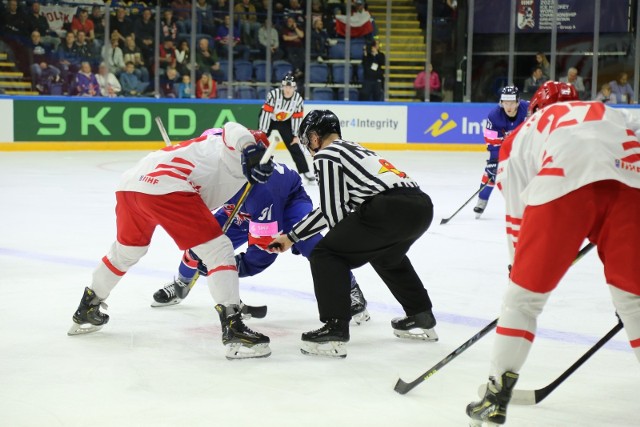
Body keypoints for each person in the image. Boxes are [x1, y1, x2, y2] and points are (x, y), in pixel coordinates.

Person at [466, 80, 640, 426]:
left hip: (560, 190)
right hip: (631, 188)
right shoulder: (613, 112)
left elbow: (517, 206)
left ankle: (496, 395)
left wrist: (518, 265)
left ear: (534, 109)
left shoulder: (524, 131)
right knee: (634, 301)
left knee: (523, 302)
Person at [68, 123, 276, 360]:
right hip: (167, 185)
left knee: (126, 252)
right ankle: (234, 329)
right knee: (218, 251)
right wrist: (250, 149)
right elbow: (233, 128)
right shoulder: (232, 147)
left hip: (131, 185)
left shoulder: (206, 151)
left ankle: (87, 307)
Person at [270, 109, 438, 358]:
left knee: (325, 254)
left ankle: (335, 327)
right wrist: (291, 237)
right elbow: (340, 207)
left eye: (307, 141)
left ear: (316, 137)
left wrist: (300, 238)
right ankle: (420, 314)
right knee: (388, 256)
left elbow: (331, 213)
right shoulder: (355, 149)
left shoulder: (326, 155)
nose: (308, 147)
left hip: (387, 209)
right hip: (421, 207)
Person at [151, 160, 371, 325]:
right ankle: (182, 283)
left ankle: (350, 290)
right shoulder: (219, 170)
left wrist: (232, 267)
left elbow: (264, 250)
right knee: (202, 241)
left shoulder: (262, 192)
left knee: (313, 244)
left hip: (287, 205)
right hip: (243, 207)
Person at [473, 86, 529, 218]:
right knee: (490, 173)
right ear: (501, 102)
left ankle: (530, 204)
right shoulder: (494, 116)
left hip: (526, 147)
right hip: (504, 146)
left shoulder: (529, 110)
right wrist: (493, 160)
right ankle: (482, 201)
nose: (508, 106)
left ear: (518, 102)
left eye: (512, 103)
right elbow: (492, 140)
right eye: (505, 103)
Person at [259, 72, 314, 184]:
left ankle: (306, 172)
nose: (288, 89)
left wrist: (295, 135)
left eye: (290, 87)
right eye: (286, 86)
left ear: (294, 88)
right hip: (269, 119)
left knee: (294, 146)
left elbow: (297, 118)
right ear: (282, 86)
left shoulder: (298, 99)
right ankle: (254, 165)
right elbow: (265, 114)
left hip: (285, 122)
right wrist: (262, 132)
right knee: (260, 142)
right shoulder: (273, 95)